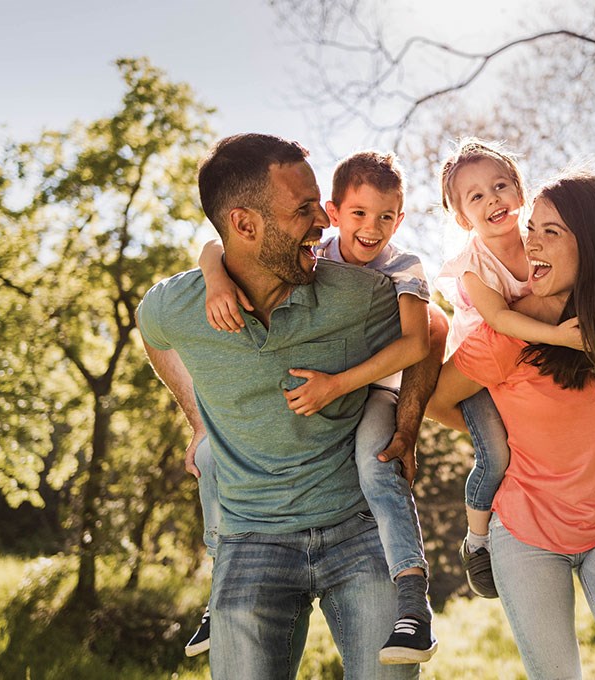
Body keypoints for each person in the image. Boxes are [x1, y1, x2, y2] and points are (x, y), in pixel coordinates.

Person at [137, 133, 438, 679]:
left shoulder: (361, 292)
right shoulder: (176, 305)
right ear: (244, 225)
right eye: (303, 209)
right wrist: (198, 421)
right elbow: (152, 335)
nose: (324, 222)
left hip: (357, 528)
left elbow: (430, 332)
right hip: (250, 538)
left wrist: (408, 423)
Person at [427, 169, 595, 679]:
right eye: (530, 228)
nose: (529, 241)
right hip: (526, 531)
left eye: (549, 232)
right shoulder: (505, 337)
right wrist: (503, 447)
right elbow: (435, 402)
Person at [433, 139, 584, 598]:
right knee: (495, 455)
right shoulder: (473, 265)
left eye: (500, 186)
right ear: (463, 218)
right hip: (476, 371)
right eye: (476, 197)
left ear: (520, 193)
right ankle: (477, 541)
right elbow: (499, 320)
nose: (492, 199)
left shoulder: (538, 240)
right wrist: (560, 335)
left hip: (521, 364)